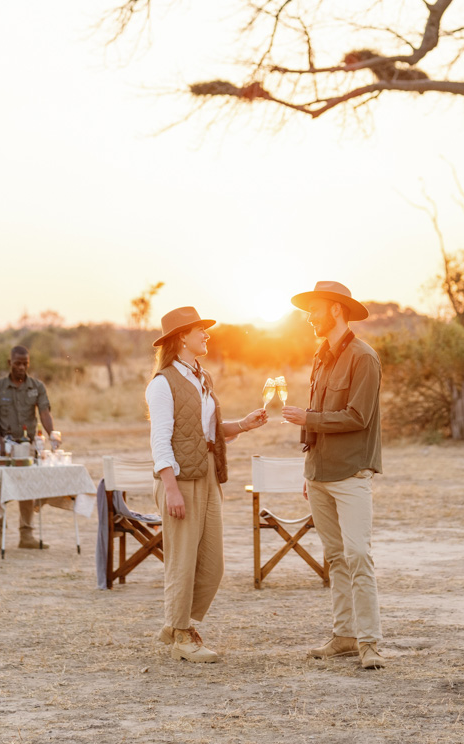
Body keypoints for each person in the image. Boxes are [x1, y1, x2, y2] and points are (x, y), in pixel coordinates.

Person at [146, 305, 267, 663]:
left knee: (213, 564)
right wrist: (170, 488)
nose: (207, 335)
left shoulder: (203, 377)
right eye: (201, 330)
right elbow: (160, 440)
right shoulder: (162, 383)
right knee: (182, 561)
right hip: (179, 481)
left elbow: (209, 431)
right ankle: (181, 634)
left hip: (209, 475)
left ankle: (174, 626)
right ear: (182, 336)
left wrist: (243, 424)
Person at [282, 280, 385, 670]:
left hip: (351, 473)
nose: (309, 317)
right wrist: (309, 470)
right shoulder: (320, 356)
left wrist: (308, 419)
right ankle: (344, 636)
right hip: (319, 474)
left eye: (315, 309)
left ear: (336, 310)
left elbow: (358, 418)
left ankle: (370, 642)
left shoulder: (365, 358)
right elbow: (316, 419)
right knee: (335, 557)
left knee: (358, 554)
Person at [0, 345, 55, 550]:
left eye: (25, 363)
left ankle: (26, 535)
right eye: (18, 363)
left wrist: (53, 436)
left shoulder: (37, 387)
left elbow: (44, 413)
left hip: (28, 446)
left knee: (27, 487)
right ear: (10, 363)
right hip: (4, 445)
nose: (22, 367)